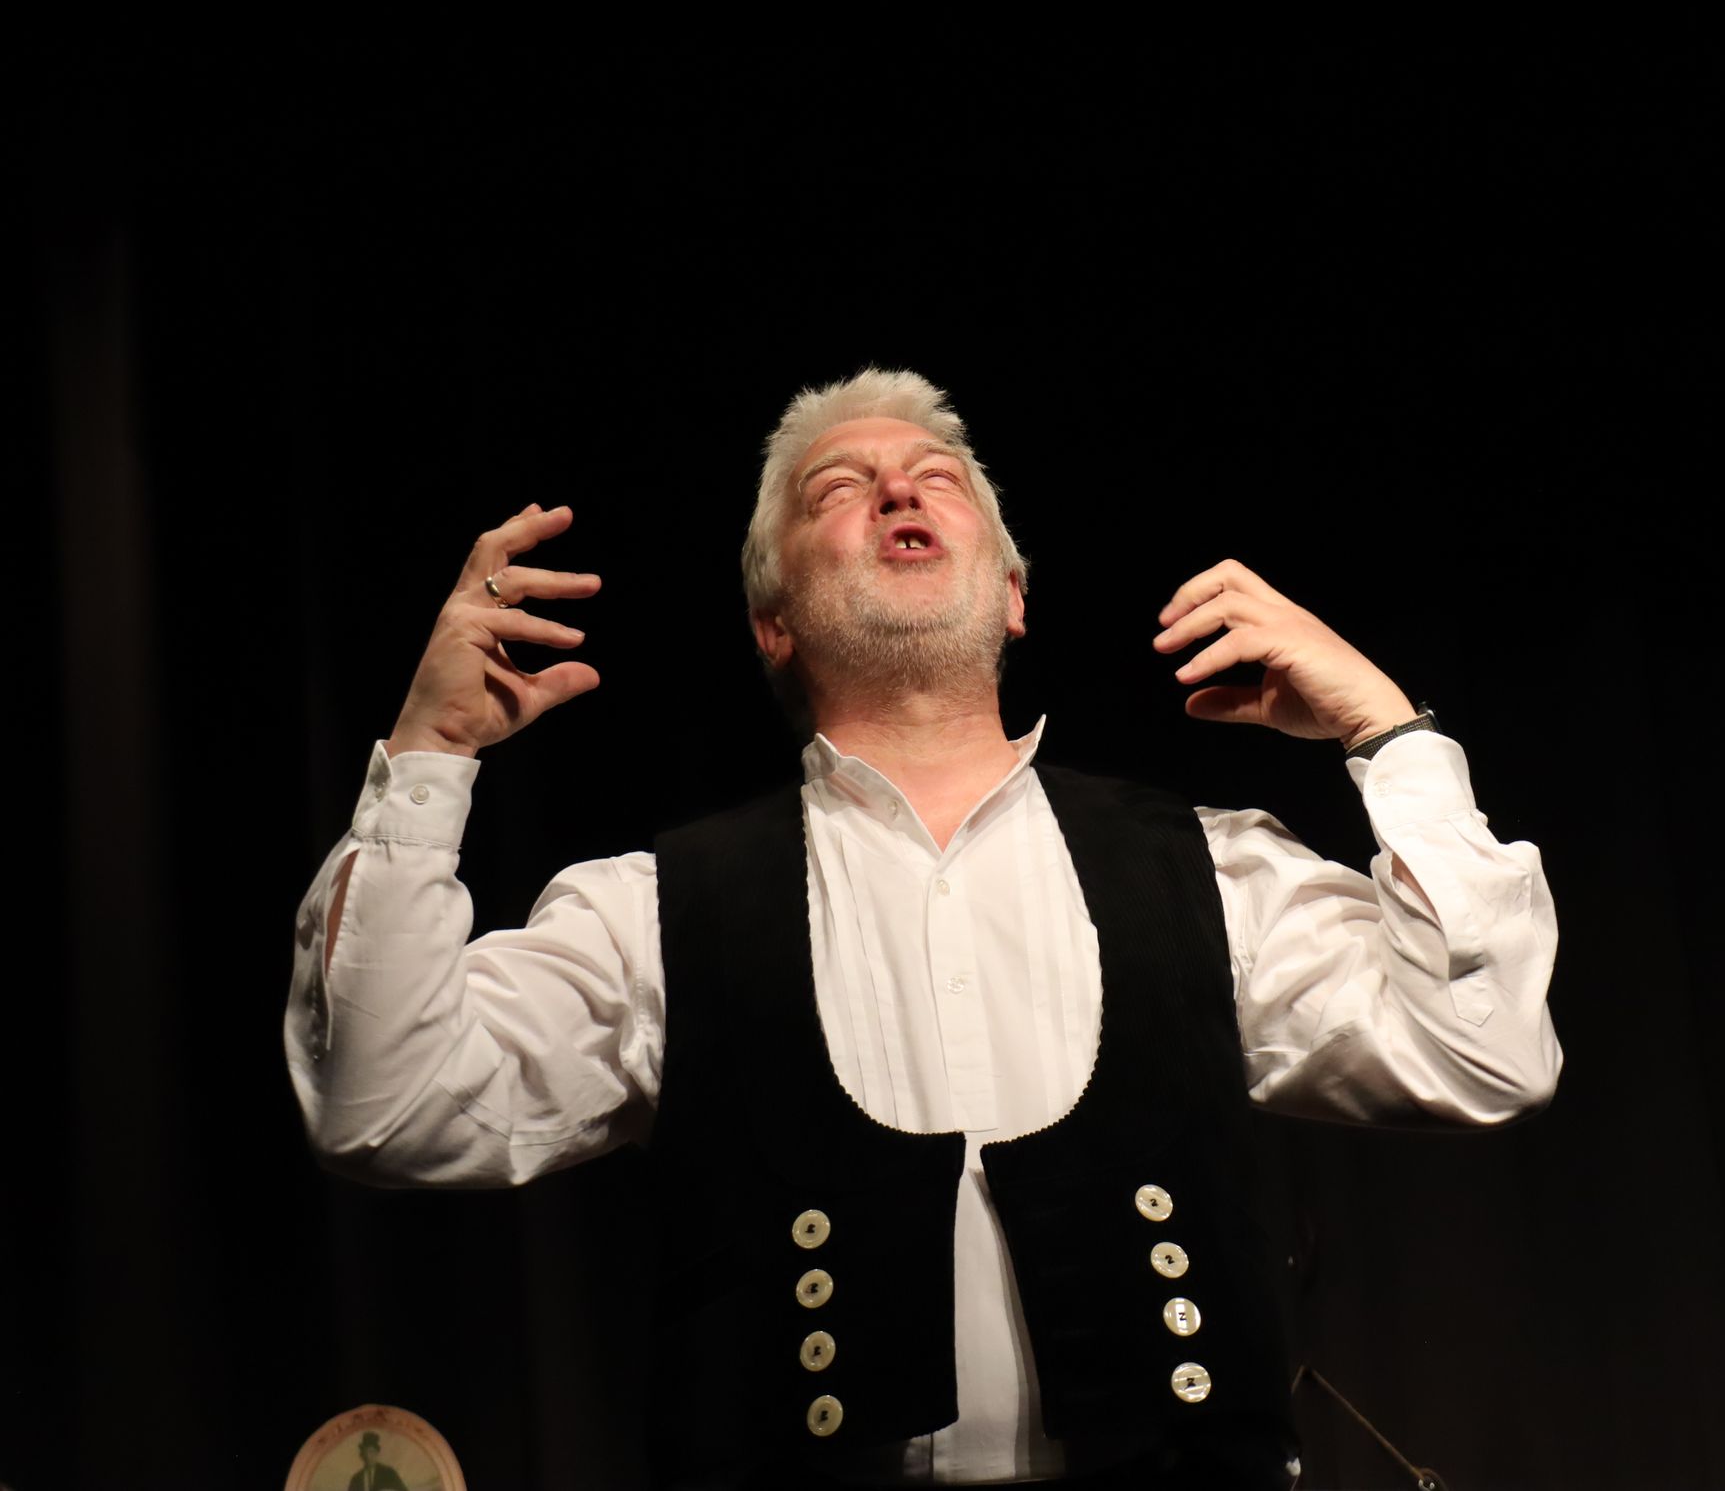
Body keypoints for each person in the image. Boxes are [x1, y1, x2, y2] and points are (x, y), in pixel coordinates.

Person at [286, 369, 1561, 1490]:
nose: (898, 491)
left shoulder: (1210, 870)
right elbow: (381, 1107)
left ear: (1011, 594)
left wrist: (1386, 731)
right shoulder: (654, 912)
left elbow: (1483, 1051)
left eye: (936, 477)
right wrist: (428, 755)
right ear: (773, 622)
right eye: (838, 487)